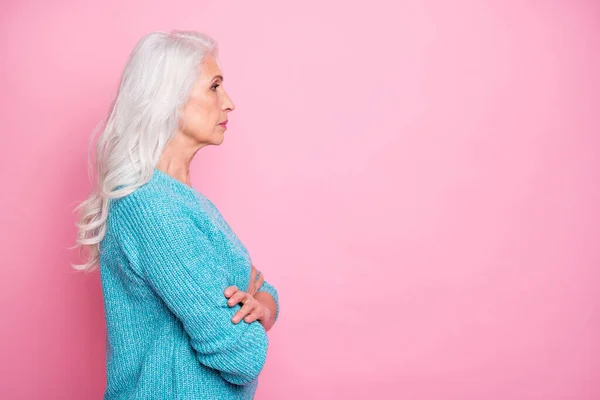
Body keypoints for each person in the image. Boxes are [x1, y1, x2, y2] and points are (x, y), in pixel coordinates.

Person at [70, 30, 280, 399]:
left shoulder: (187, 202)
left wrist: (259, 303)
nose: (228, 102)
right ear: (171, 99)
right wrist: (250, 308)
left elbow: (264, 290)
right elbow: (242, 356)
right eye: (214, 86)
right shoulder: (149, 207)